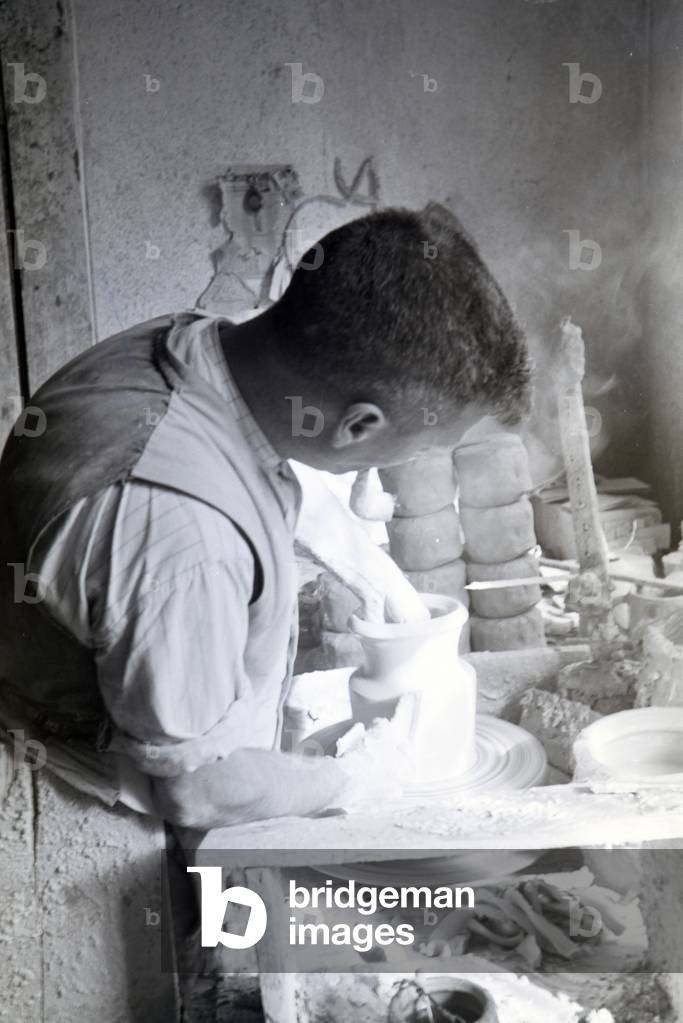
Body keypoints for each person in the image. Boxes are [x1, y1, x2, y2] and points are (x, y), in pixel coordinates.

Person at [0, 203, 531, 829]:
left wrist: (367, 564)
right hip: (87, 807)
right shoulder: (184, 540)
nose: (421, 460)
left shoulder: (197, 348)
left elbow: (244, 459)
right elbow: (198, 793)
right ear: (358, 426)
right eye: (424, 447)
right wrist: (352, 777)